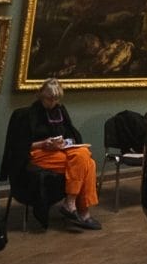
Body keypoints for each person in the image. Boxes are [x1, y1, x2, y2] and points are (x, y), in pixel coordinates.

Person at [26, 78, 102, 230]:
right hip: (40, 153)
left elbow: (71, 134)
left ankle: (72, 204)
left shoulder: (61, 110)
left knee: (83, 156)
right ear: (41, 94)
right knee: (88, 163)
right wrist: (44, 143)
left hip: (60, 151)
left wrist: (64, 142)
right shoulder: (30, 113)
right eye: (49, 98)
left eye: (56, 99)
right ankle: (81, 210)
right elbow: (22, 144)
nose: (52, 102)